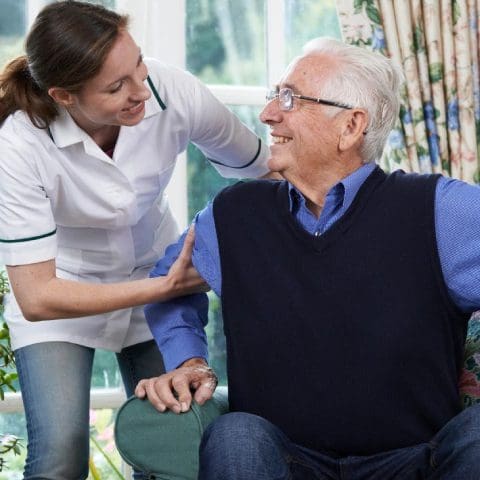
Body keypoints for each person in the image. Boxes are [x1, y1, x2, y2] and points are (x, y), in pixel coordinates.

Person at [137, 37, 480, 480]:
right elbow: (166, 284)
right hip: (287, 461)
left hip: (417, 462)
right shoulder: (234, 215)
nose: (266, 115)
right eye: (273, 96)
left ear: (351, 126)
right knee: (236, 434)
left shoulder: (440, 210)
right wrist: (189, 361)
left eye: (290, 99)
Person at [0, 1, 270, 478]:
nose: (140, 90)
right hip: (64, 289)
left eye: (138, 65)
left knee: (169, 443)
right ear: (64, 96)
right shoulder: (19, 144)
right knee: (60, 455)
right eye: (115, 86)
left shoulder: (170, 91)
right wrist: (164, 287)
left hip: (152, 271)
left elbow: (264, 169)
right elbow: (38, 296)